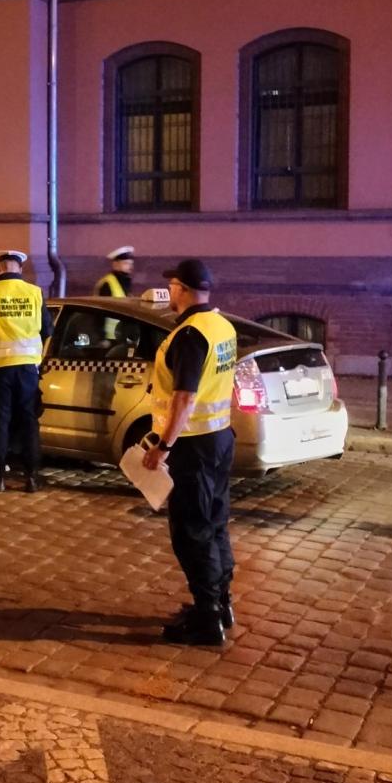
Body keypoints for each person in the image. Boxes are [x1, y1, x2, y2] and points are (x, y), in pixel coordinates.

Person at [141, 259, 238, 647]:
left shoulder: (190, 334)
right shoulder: (222, 325)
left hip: (193, 445)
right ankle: (221, 603)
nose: (170, 292)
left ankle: (206, 618)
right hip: (219, 439)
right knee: (215, 524)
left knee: (192, 532)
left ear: (181, 289)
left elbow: (185, 396)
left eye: (172, 286)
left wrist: (163, 446)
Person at [0, 249, 52, 494]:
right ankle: (32, 477)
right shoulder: (35, 293)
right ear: (20, 268)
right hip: (27, 368)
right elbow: (47, 329)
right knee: (28, 420)